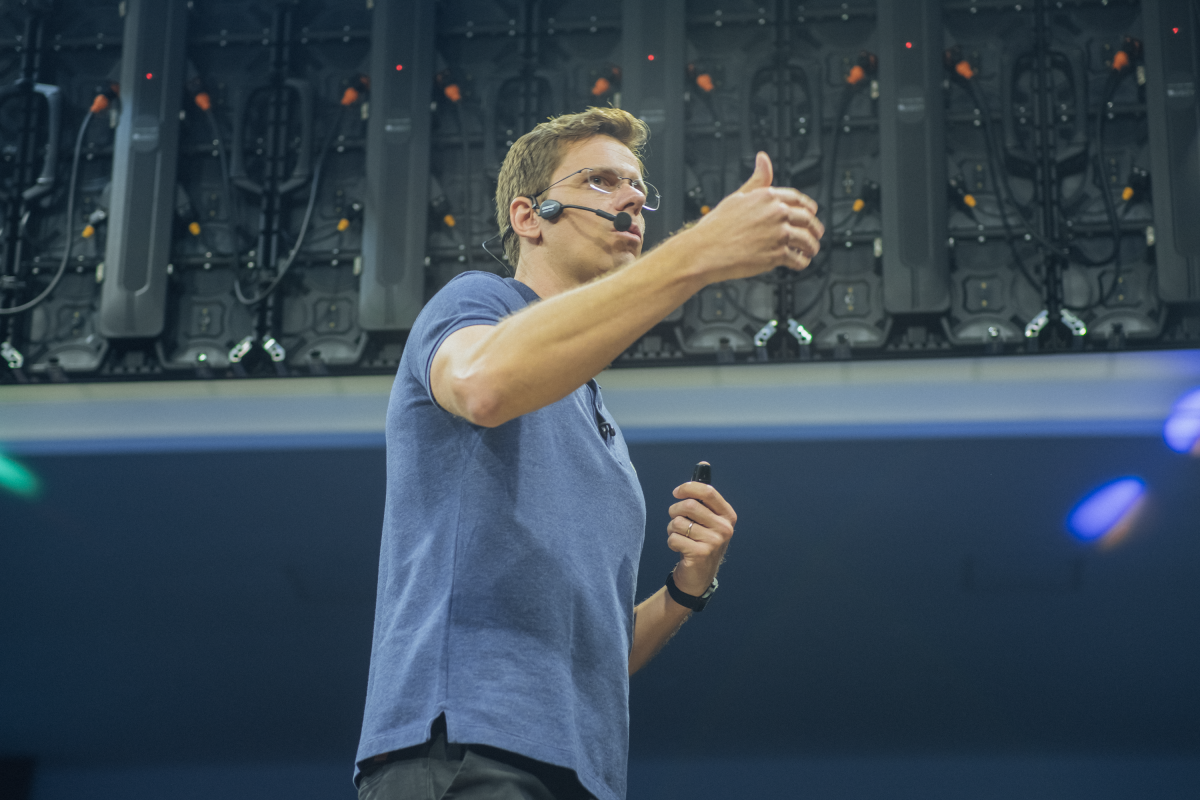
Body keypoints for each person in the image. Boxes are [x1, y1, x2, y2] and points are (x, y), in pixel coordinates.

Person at [354, 106, 823, 800]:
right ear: (529, 216)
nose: (632, 197)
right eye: (601, 181)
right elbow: (481, 384)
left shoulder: (595, 416)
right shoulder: (476, 304)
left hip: (582, 774)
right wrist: (697, 253)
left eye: (637, 186)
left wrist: (686, 589)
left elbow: (598, 655)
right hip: (465, 752)